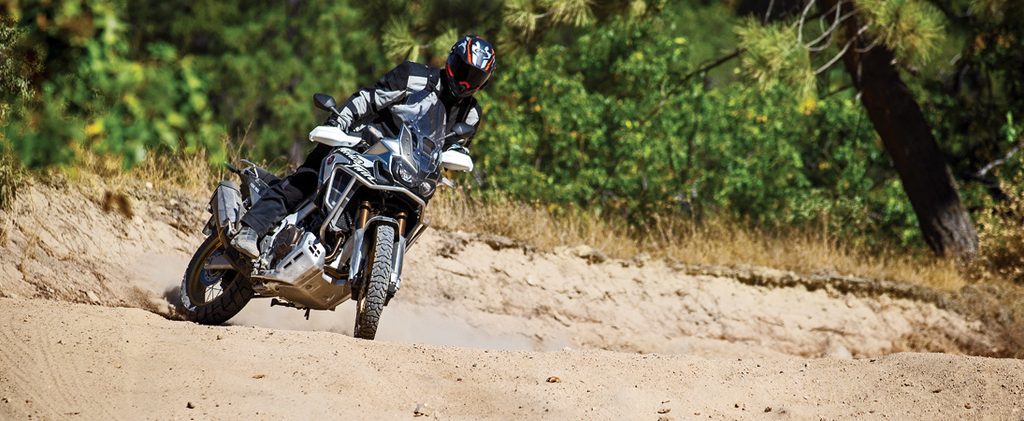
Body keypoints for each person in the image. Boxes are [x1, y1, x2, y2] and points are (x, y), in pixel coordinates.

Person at [231, 35, 496, 258]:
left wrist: (457, 157)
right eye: (463, 71)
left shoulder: (470, 114)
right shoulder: (413, 76)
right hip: (365, 147)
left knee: (414, 211)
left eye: (475, 78)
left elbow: (454, 149)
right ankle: (251, 229)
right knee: (307, 180)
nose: (465, 82)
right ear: (451, 61)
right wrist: (338, 122)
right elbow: (368, 99)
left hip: (408, 173)